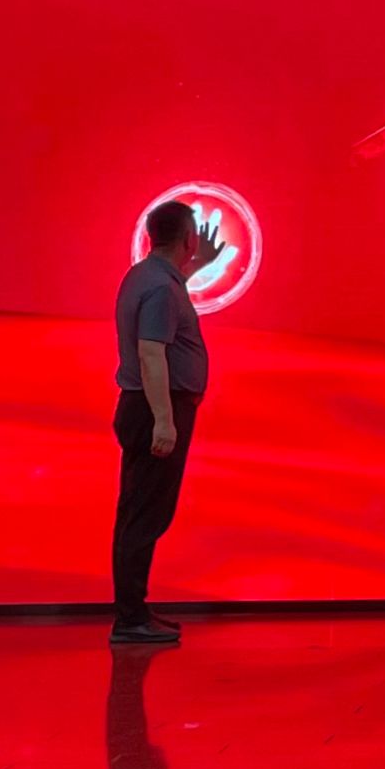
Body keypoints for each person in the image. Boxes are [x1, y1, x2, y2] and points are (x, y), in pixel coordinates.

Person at [109, 199, 225, 645]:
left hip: (146, 406)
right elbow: (151, 353)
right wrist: (164, 420)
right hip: (155, 407)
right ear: (188, 239)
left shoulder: (150, 277)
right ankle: (130, 618)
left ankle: (134, 612)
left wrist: (197, 266)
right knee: (144, 514)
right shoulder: (161, 287)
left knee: (138, 511)